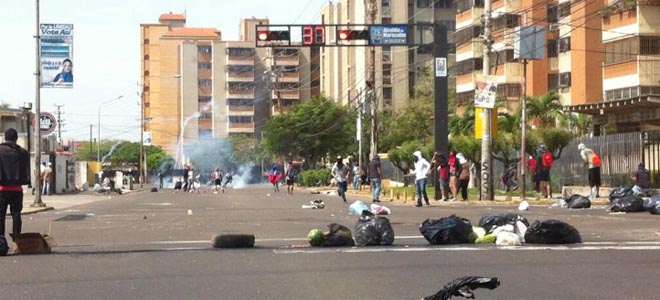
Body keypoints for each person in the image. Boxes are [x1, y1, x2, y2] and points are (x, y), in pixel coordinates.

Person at [0, 128, 30, 238]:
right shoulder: (23, 152)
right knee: (16, 214)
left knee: (1, 216)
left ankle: (1, 240)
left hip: (2, 189)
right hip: (17, 189)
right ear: (16, 138)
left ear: (5, 137)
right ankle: (17, 240)